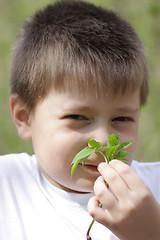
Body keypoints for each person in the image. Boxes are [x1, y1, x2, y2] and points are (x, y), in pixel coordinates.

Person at [0, 1, 160, 239]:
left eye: (122, 118)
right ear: (25, 118)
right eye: (77, 117)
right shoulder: (8, 185)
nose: (104, 140)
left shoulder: (154, 187)